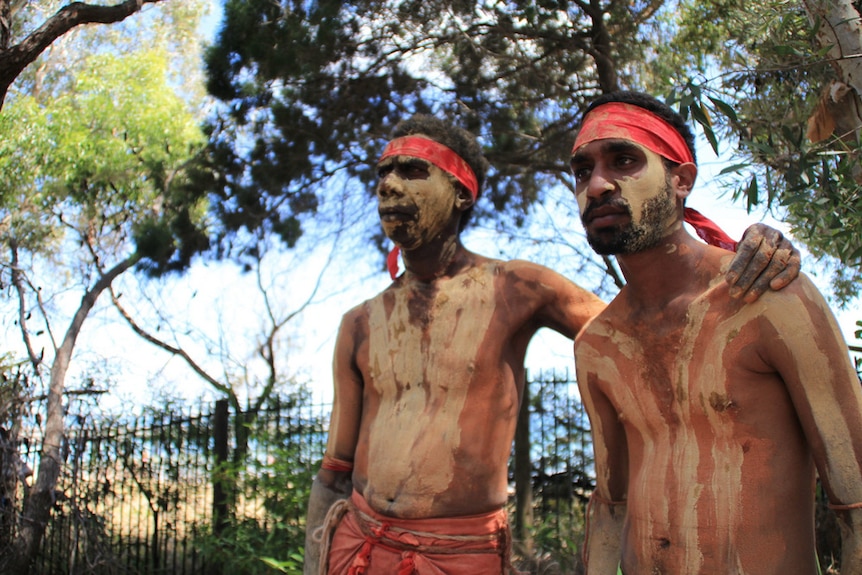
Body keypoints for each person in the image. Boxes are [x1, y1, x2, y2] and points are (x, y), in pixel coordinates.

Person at [304, 113, 800, 575]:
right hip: (358, 544)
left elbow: (642, 334)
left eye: (411, 170)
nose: (388, 184)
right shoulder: (360, 324)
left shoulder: (518, 288)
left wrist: (747, 255)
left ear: (460, 192)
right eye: (383, 173)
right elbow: (333, 474)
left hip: (460, 555)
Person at [570, 91, 862, 575]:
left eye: (624, 161)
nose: (597, 185)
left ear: (681, 180)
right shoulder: (597, 346)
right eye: (583, 171)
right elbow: (611, 505)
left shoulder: (769, 300)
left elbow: (856, 500)